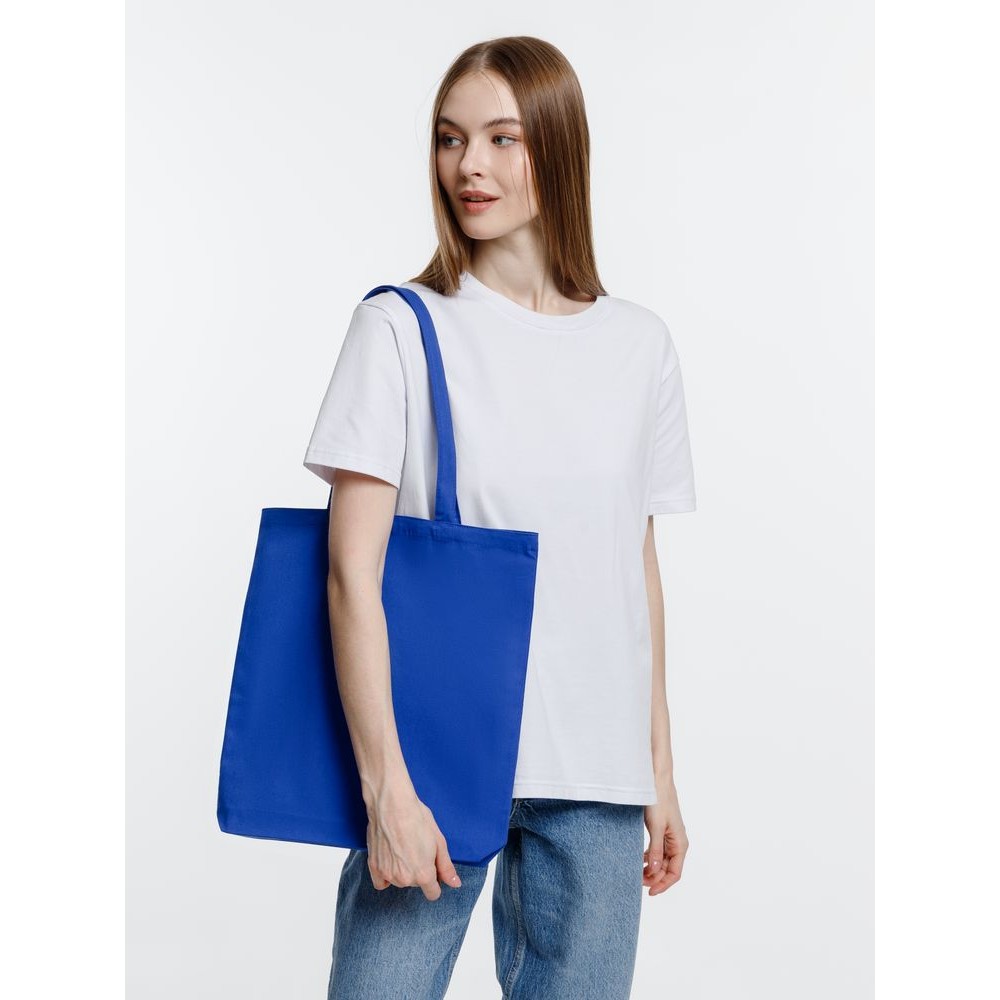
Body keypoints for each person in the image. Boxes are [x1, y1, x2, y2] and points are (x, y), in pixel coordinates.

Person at [303, 35, 697, 1000]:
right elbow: (351, 574)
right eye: (450, 138)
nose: (468, 166)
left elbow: (633, 574)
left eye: (500, 138)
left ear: (557, 147)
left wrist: (659, 771)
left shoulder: (639, 346)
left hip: (596, 781)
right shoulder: (401, 326)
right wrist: (385, 786)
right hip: (434, 760)